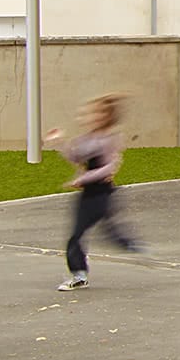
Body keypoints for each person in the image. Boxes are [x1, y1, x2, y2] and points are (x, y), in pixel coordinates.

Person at [47, 94, 146, 291]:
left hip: (102, 191)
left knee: (105, 231)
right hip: (88, 194)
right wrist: (60, 142)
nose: (90, 117)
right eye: (89, 113)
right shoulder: (86, 139)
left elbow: (110, 167)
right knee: (79, 234)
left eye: (97, 113)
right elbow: (75, 157)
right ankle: (80, 274)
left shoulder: (110, 139)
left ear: (107, 117)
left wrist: (83, 178)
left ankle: (133, 247)